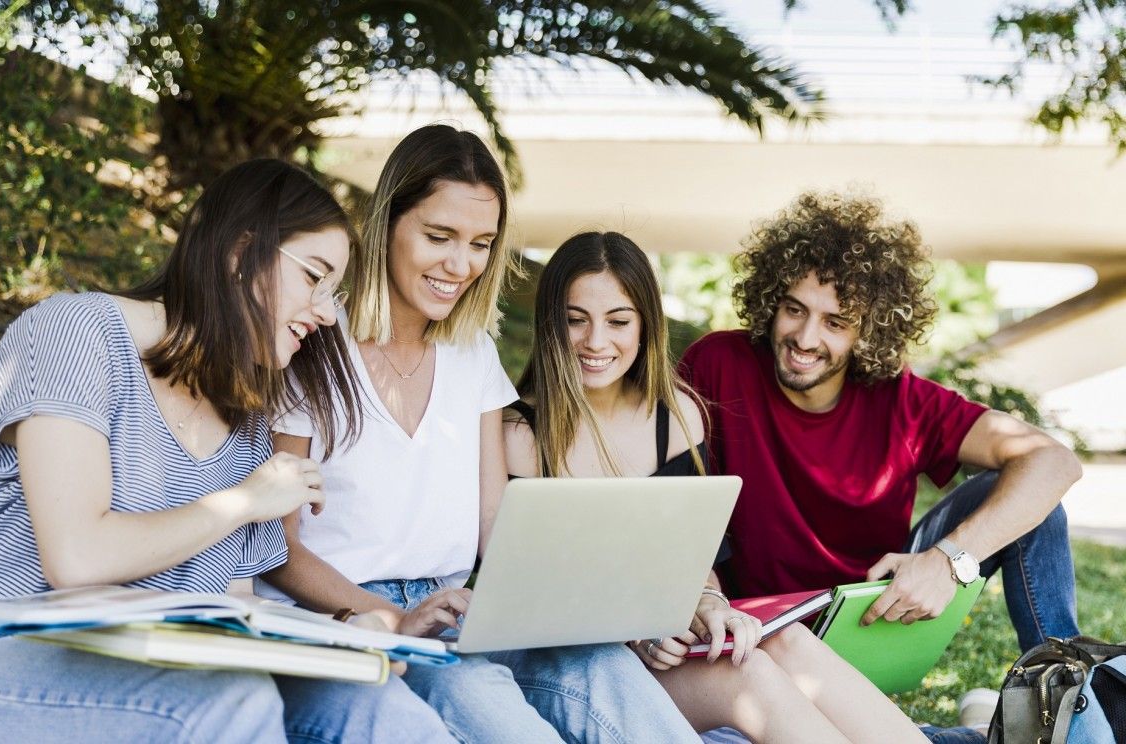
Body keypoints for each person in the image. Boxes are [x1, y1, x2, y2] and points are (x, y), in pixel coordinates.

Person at [0, 159, 454, 743]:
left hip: (156, 665)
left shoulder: (247, 421)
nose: (329, 314)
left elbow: (234, 607)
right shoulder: (76, 333)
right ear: (239, 254)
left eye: (335, 292)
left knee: (374, 707)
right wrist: (244, 501)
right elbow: (76, 559)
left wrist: (348, 628)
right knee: (226, 703)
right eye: (314, 278)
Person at [257, 125, 702, 743]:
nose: (460, 264)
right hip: (349, 615)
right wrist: (385, 614)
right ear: (387, 223)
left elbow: (498, 525)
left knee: (603, 666)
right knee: (486, 702)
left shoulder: (472, 356)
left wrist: (594, 607)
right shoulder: (312, 348)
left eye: (480, 244)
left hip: (460, 611)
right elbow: (275, 548)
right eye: (439, 237)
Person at [503, 230, 931, 744]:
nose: (596, 342)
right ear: (552, 323)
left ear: (645, 327)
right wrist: (637, 632)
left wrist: (707, 604)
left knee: (786, 643)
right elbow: (526, 595)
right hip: (572, 665)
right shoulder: (519, 434)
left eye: (618, 321)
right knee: (747, 677)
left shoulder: (677, 418)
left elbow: (696, 562)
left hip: (661, 652)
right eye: (576, 320)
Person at [680, 189, 1082, 654]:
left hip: (869, 621)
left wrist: (947, 562)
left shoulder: (903, 401)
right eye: (794, 309)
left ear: (869, 330)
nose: (805, 338)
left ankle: (1064, 689)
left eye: (835, 322)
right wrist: (706, 594)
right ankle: (981, 730)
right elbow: (671, 494)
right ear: (771, 301)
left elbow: (1055, 462)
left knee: (1034, 501)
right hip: (755, 633)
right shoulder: (718, 363)